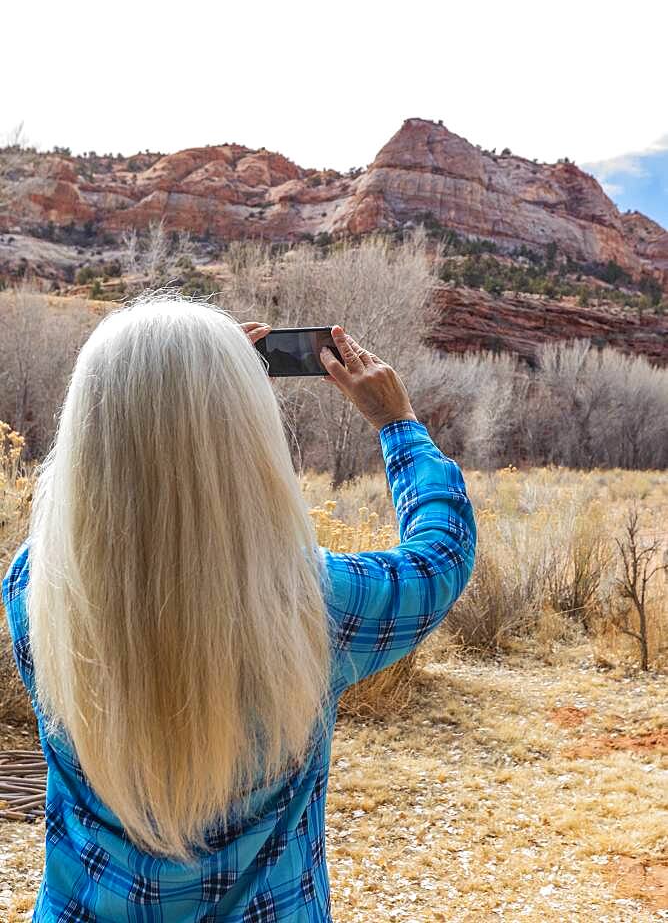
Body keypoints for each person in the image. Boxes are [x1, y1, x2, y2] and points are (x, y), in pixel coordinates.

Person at [1, 293, 476, 922]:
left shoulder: (37, 585)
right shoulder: (316, 606)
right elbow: (440, 555)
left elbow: (135, 482)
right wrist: (398, 425)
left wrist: (188, 381)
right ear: (247, 431)